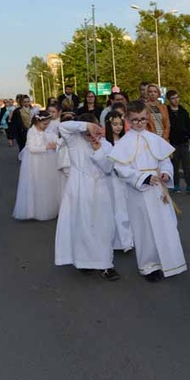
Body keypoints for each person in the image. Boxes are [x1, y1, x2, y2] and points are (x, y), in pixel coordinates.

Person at [108, 100, 187, 282]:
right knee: (144, 229)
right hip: (139, 192)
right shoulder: (123, 144)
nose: (139, 123)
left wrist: (166, 173)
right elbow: (121, 169)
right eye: (135, 120)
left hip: (158, 190)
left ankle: (169, 260)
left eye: (143, 119)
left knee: (166, 224)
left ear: (148, 117)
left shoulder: (154, 139)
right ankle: (149, 265)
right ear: (127, 118)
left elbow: (165, 160)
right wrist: (143, 178)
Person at [54, 114, 120, 281]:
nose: (91, 136)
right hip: (79, 187)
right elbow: (63, 127)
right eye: (88, 132)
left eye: (94, 130)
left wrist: (98, 150)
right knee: (82, 225)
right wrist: (85, 126)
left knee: (103, 226)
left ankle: (106, 264)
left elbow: (108, 167)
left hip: (100, 188)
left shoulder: (106, 144)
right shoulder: (74, 140)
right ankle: (84, 260)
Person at [12, 111, 61, 221]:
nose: (46, 126)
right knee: (36, 184)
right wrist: (47, 147)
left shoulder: (49, 130)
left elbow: (56, 140)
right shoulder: (31, 132)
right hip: (35, 162)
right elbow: (32, 148)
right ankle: (34, 210)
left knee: (48, 184)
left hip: (48, 161)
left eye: (48, 124)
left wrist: (56, 144)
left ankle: (50, 208)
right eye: (44, 124)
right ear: (38, 121)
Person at [104, 110, 134, 253]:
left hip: (124, 180)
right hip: (111, 180)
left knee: (126, 209)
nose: (118, 127)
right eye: (114, 124)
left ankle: (127, 240)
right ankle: (116, 240)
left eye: (120, 124)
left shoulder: (125, 141)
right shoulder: (104, 143)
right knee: (115, 209)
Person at [166, 89, 190, 193]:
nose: (176, 100)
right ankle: (176, 184)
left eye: (177, 97)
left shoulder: (183, 112)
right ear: (169, 100)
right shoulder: (167, 111)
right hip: (172, 142)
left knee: (186, 165)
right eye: (173, 98)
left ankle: (189, 185)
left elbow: (188, 126)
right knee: (174, 165)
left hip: (183, 142)